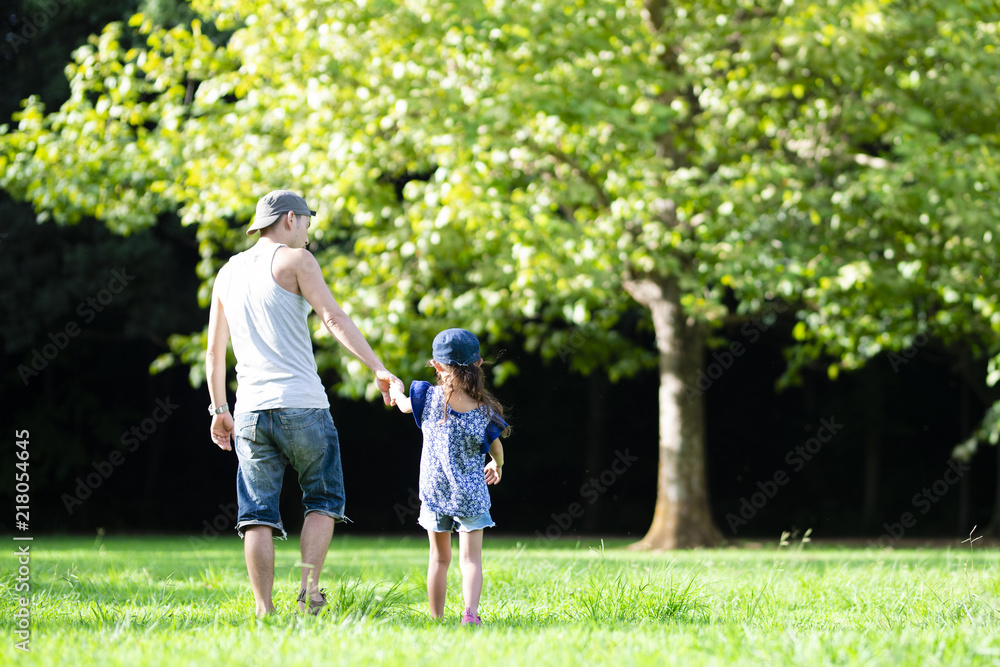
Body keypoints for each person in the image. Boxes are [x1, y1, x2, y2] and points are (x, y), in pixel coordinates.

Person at [206, 189, 400, 617]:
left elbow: (215, 353)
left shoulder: (227, 272)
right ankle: (310, 594)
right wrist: (378, 368)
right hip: (303, 405)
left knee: (256, 513)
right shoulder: (297, 261)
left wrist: (219, 409)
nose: (309, 232)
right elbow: (333, 318)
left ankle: (263, 608)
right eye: (307, 222)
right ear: (290, 219)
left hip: (250, 411)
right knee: (324, 499)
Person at [388, 328, 509, 626]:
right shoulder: (484, 411)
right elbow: (496, 446)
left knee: (439, 559)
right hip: (471, 495)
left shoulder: (425, 398)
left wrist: (394, 389)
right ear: (478, 364)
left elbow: (402, 404)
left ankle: (437, 617)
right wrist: (498, 465)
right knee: (471, 560)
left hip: (434, 493)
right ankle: (470, 615)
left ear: (437, 366)